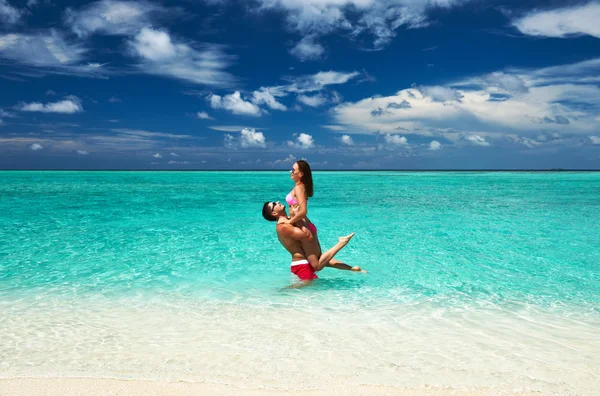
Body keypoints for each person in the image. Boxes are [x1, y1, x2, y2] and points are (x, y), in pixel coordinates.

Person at [262, 201, 364, 283]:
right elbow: (307, 236)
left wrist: (298, 212)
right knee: (306, 288)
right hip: (301, 265)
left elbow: (310, 228)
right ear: (274, 213)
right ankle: (281, 293)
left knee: (322, 261)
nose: (277, 202)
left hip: (308, 260)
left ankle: (354, 269)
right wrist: (296, 216)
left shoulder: (289, 220)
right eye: (274, 204)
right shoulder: (283, 226)